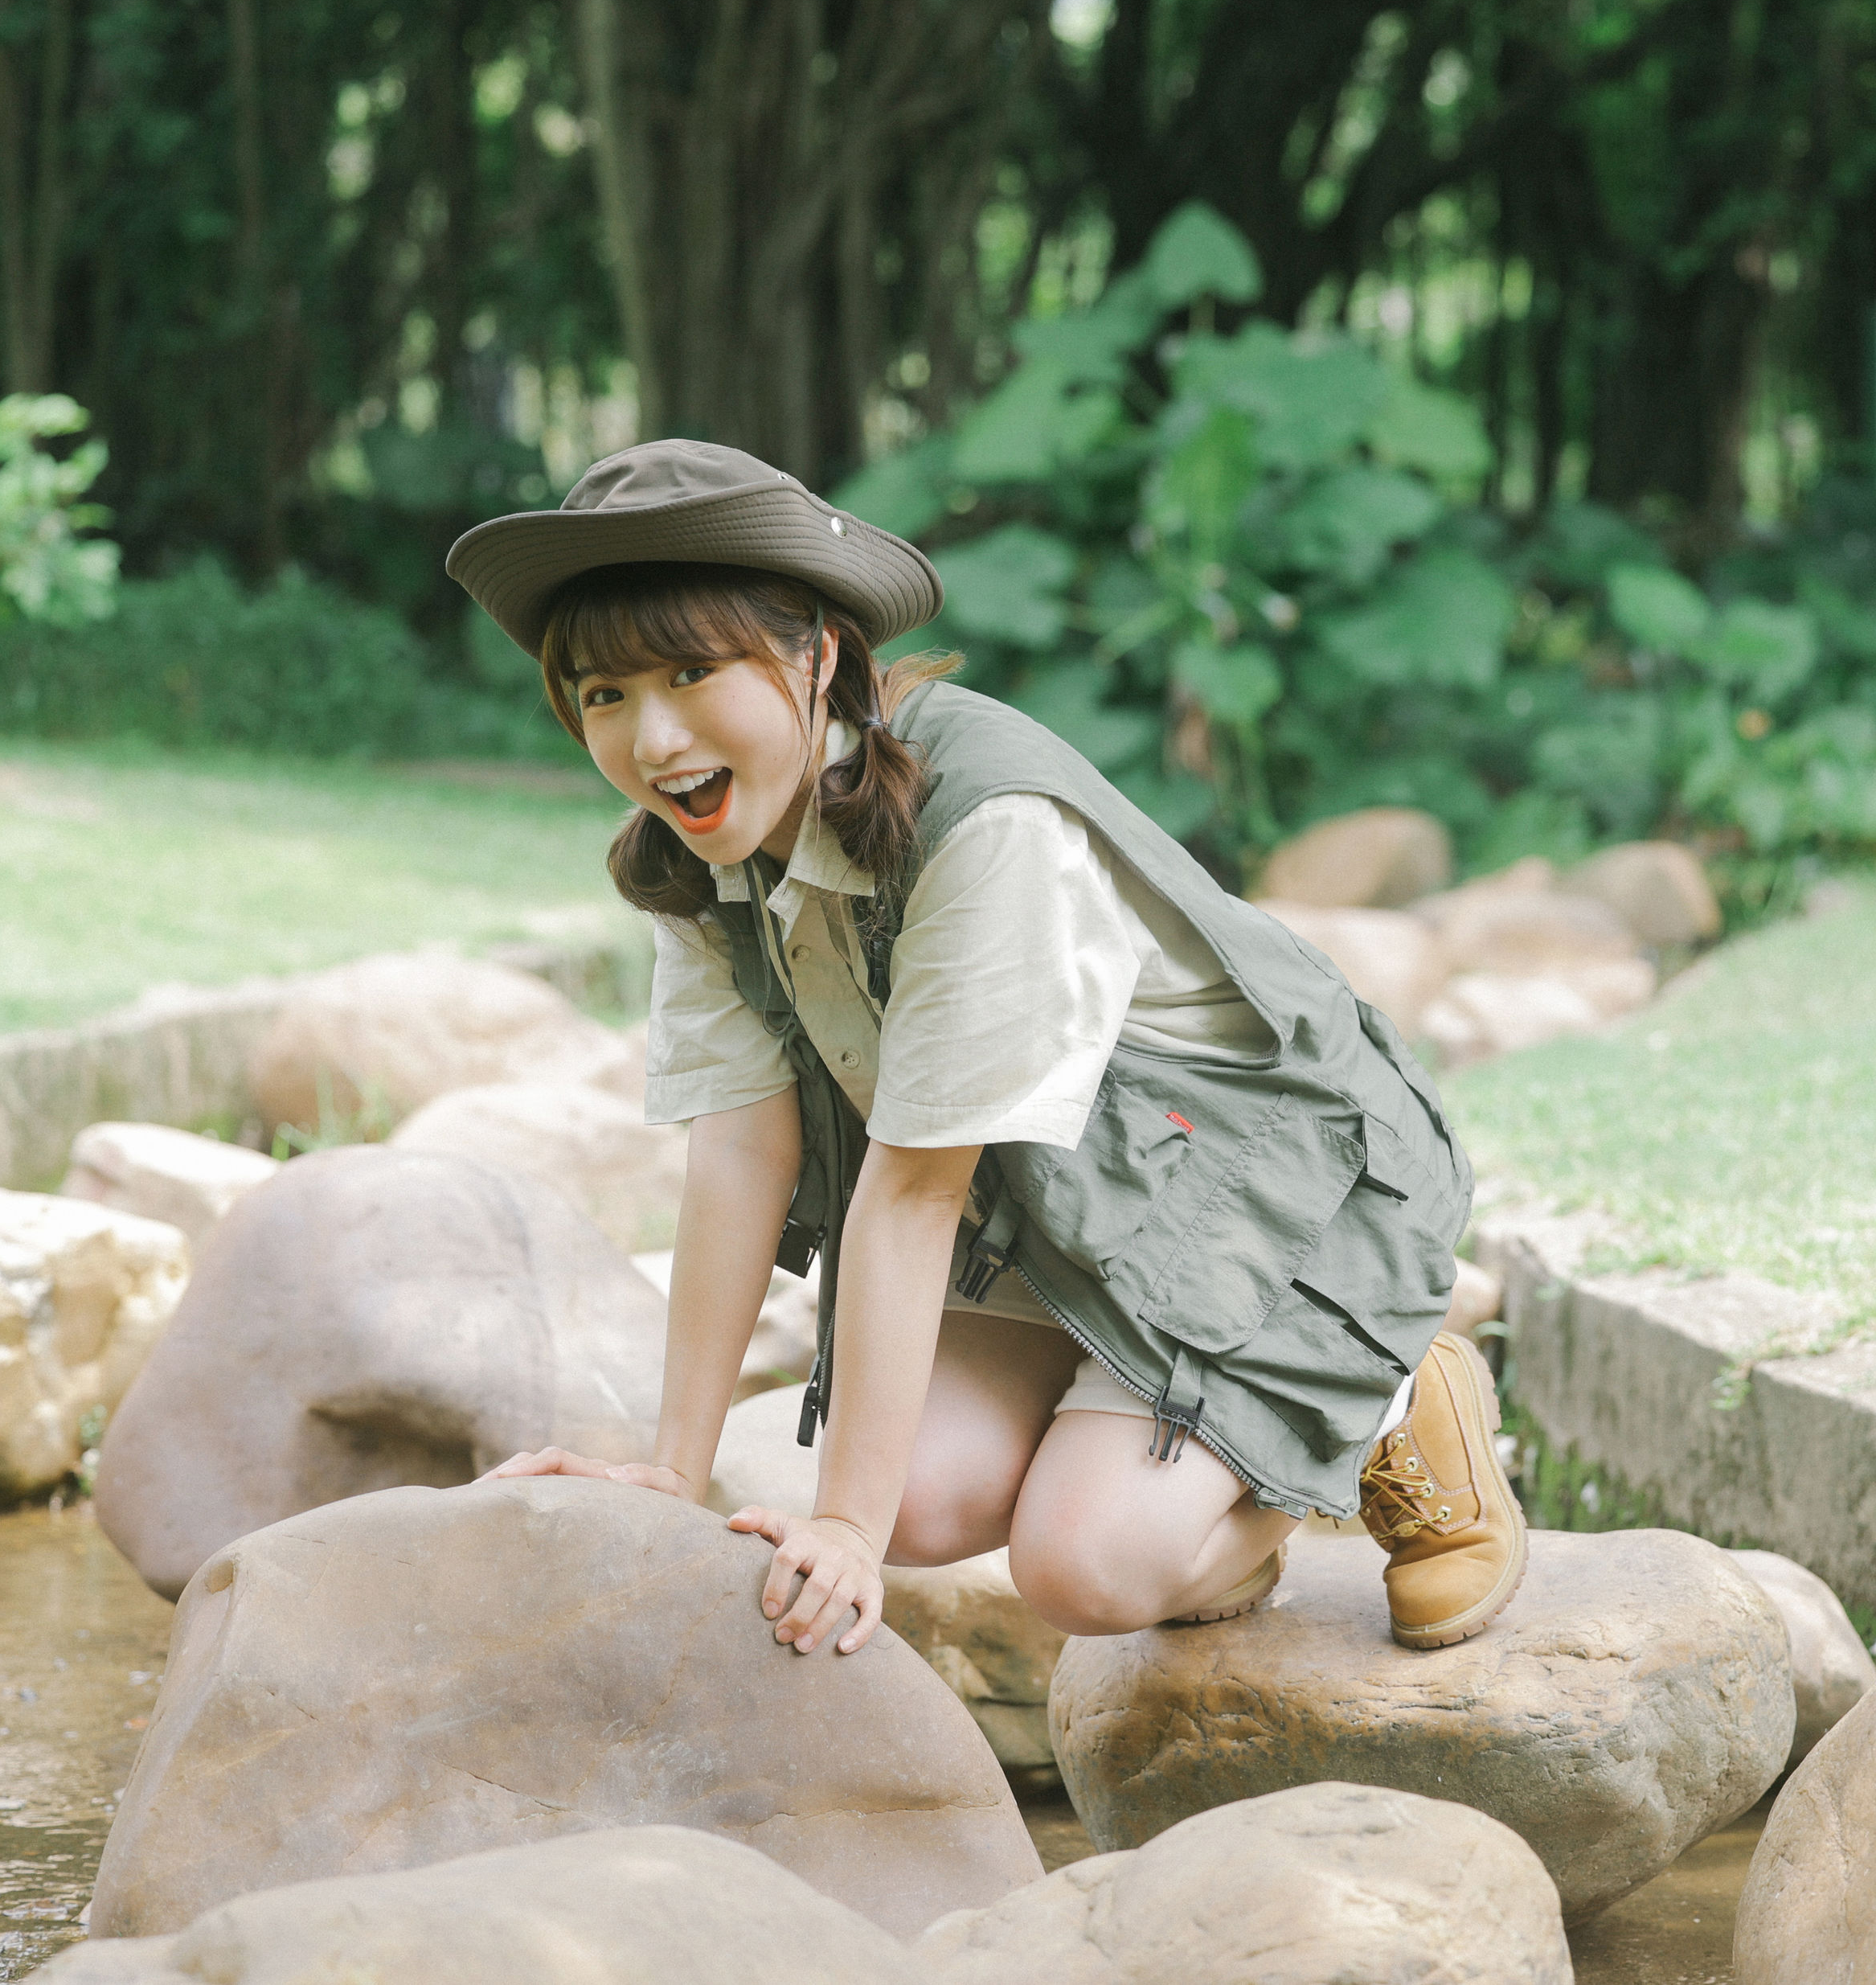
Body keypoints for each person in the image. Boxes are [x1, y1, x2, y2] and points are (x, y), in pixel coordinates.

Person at [444, 439, 1526, 1657]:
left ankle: (1390, 1400)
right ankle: (1191, 1490)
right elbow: (742, 1149)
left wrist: (840, 1527)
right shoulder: (704, 845)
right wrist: (668, 1470)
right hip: (1054, 1211)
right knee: (915, 1498)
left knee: (1081, 1572)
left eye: (692, 672)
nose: (651, 739)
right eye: (603, 695)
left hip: (1256, 1197)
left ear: (824, 657)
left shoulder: (983, 819)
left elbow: (912, 1190)